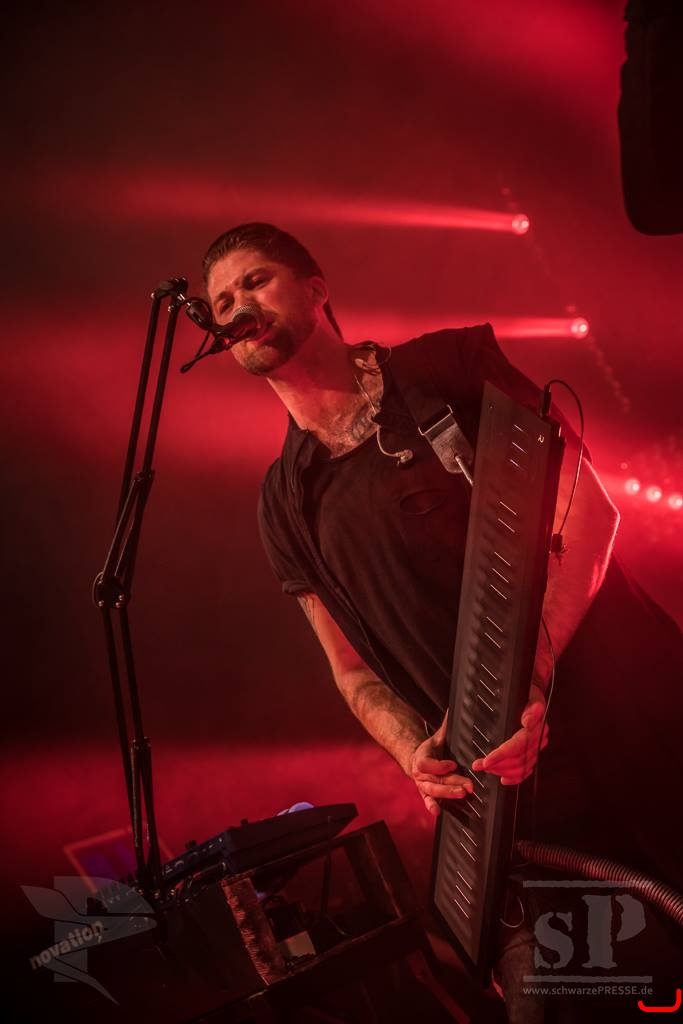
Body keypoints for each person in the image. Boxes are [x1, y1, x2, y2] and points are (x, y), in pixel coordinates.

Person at [201, 222, 683, 1020]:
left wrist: (530, 669)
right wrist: (409, 752)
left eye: (254, 281)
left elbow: (586, 507)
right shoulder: (284, 498)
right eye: (220, 302)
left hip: (638, 719)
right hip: (519, 803)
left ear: (316, 289)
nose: (235, 306)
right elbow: (349, 667)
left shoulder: (445, 368)